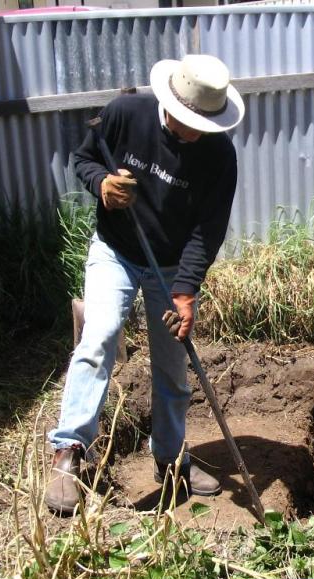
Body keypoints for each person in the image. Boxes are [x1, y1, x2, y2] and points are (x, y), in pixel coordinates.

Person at [44, 54, 245, 514]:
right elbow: (84, 157)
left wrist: (186, 289)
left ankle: (171, 459)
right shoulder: (125, 115)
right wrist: (102, 186)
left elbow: (206, 232)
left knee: (173, 364)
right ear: (170, 101)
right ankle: (68, 454)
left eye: (205, 123)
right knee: (99, 336)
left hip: (170, 267)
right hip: (116, 250)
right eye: (188, 120)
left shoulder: (218, 155)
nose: (194, 132)